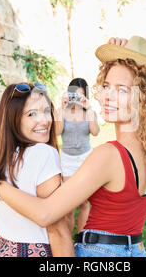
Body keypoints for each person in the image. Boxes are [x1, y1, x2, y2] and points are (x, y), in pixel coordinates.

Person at [0, 36, 146, 257]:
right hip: (135, 250)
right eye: (107, 86)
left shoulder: (108, 156)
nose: (107, 96)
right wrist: (122, 57)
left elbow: (45, 214)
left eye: (122, 90)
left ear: (145, 99)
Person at [0, 82, 74, 257]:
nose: (45, 120)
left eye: (46, 111)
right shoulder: (44, 154)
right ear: (13, 118)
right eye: (32, 114)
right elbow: (57, 231)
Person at [54, 78, 100, 233]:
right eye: (74, 95)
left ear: (85, 96)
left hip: (85, 159)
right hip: (67, 160)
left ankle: (80, 240)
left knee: (84, 203)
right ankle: (67, 242)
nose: (77, 99)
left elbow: (95, 132)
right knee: (69, 206)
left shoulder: (89, 112)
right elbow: (56, 132)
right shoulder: (63, 111)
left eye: (81, 96)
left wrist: (89, 108)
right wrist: (61, 107)